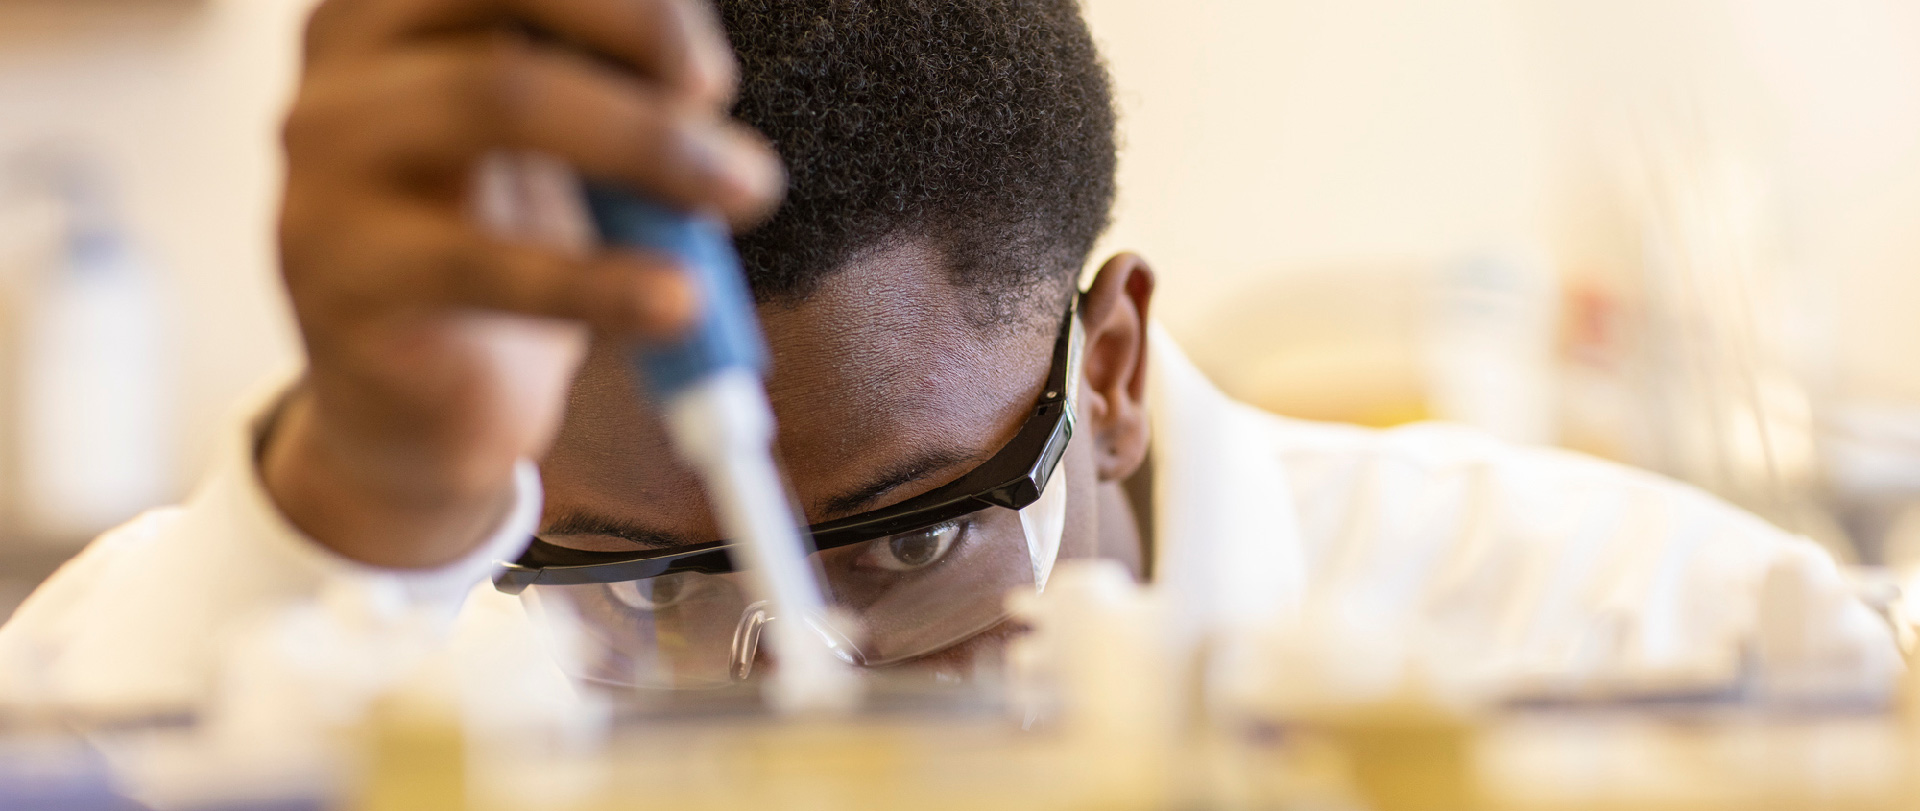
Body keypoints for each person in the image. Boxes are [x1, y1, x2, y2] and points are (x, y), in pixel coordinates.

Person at [0, 0, 1899, 707]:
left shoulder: (1634, 646)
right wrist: (375, 507)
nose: (770, 676)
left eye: (905, 538)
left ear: (1118, 357)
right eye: (622, 568)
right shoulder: (404, 623)